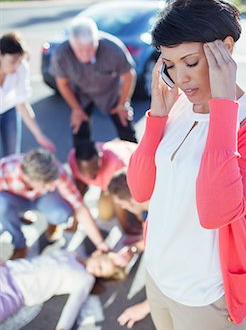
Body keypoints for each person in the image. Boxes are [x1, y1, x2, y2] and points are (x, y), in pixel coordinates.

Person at [127, 0, 246, 330]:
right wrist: (157, 118)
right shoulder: (176, 103)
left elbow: (216, 210)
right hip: (159, 279)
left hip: (207, 295)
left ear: (224, 49)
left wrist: (221, 108)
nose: (179, 77)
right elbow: (141, 189)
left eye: (191, 62)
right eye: (168, 63)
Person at [0, 248, 125, 330]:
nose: (98, 270)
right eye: (102, 265)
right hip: (9, 270)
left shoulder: (86, 279)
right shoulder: (72, 253)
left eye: (102, 273)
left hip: (17, 292)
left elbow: (73, 307)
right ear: (98, 253)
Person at [0, 148, 108, 259]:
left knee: (61, 213)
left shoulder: (56, 172)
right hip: (15, 199)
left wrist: (100, 243)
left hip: (42, 197)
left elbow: (79, 207)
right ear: (28, 178)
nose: (53, 187)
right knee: (1, 206)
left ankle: (53, 222)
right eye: (47, 184)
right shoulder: (5, 171)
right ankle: (20, 244)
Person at [50, 16, 138, 148]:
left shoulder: (112, 48)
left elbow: (129, 75)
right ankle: (85, 163)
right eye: (80, 50)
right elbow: (62, 83)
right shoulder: (61, 54)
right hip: (81, 92)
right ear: (72, 45)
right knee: (78, 128)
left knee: (125, 124)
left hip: (111, 91)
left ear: (96, 41)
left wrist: (122, 103)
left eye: (90, 48)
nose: (85, 54)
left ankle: (135, 160)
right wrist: (76, 109)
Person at [68, 139, 142, 235]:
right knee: (105, 213)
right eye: (85, 172)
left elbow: (122, 195)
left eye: (94, 170)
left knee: (134, 205)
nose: (90, 177)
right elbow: (78, 190)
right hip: (109, 185)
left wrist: (126, 229)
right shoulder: (72, 159)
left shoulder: (117, 162)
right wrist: (75, 221)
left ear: (100, 157)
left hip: (132, 179)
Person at [0, 32, 55, 157]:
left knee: (12, 156)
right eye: (13, 61)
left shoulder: (21, 68)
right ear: (0, 55)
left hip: (9, 111)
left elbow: (21, 103)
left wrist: (39, 135)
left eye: (20, 61)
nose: (17, 66)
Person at [107, 167, 150, 329]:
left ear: (132, 200)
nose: (123, 208)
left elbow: (177, 273)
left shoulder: (158, 224)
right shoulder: (150, 203)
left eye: (122, 204)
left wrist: (146, 306)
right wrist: (133, 249)